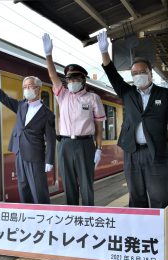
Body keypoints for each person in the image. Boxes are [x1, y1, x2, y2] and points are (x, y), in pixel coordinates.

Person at [97, 31, 168, 208]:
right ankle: (141, 233)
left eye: (142, 72)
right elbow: (113, 75)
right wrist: (104, 52)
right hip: (132, 152)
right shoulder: (127, 93)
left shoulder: (165, 94)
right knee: (136, 197)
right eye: (134, 73)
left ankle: (160, 234)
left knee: (159, 197)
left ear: (150, 74)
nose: (138, 75)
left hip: (157, 153)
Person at [42, 33, 106, 206]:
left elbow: (99, 127)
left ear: (83, 80)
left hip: (85, 144)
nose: (72, 82)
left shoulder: (93, 98)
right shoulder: (63, 95)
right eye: (69, 79)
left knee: (86, 183)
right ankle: (73, 216)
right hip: (64, 144)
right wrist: (48, 55)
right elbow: (53, 76)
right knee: (68, 184)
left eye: (76, 79)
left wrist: (98, 148)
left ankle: (89, 215)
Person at [0, 64, 56, 204]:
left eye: (30, 86)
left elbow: (51, 139)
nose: (27, 90)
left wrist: (50, 160)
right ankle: (27, 217)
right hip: (19, 153)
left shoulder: (47, 114)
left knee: (38, 190)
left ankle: (43, 217)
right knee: (23, 187)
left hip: (35, 156)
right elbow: (4, 98)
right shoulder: (21, 105)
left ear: (38, 89)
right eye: (25, 87)